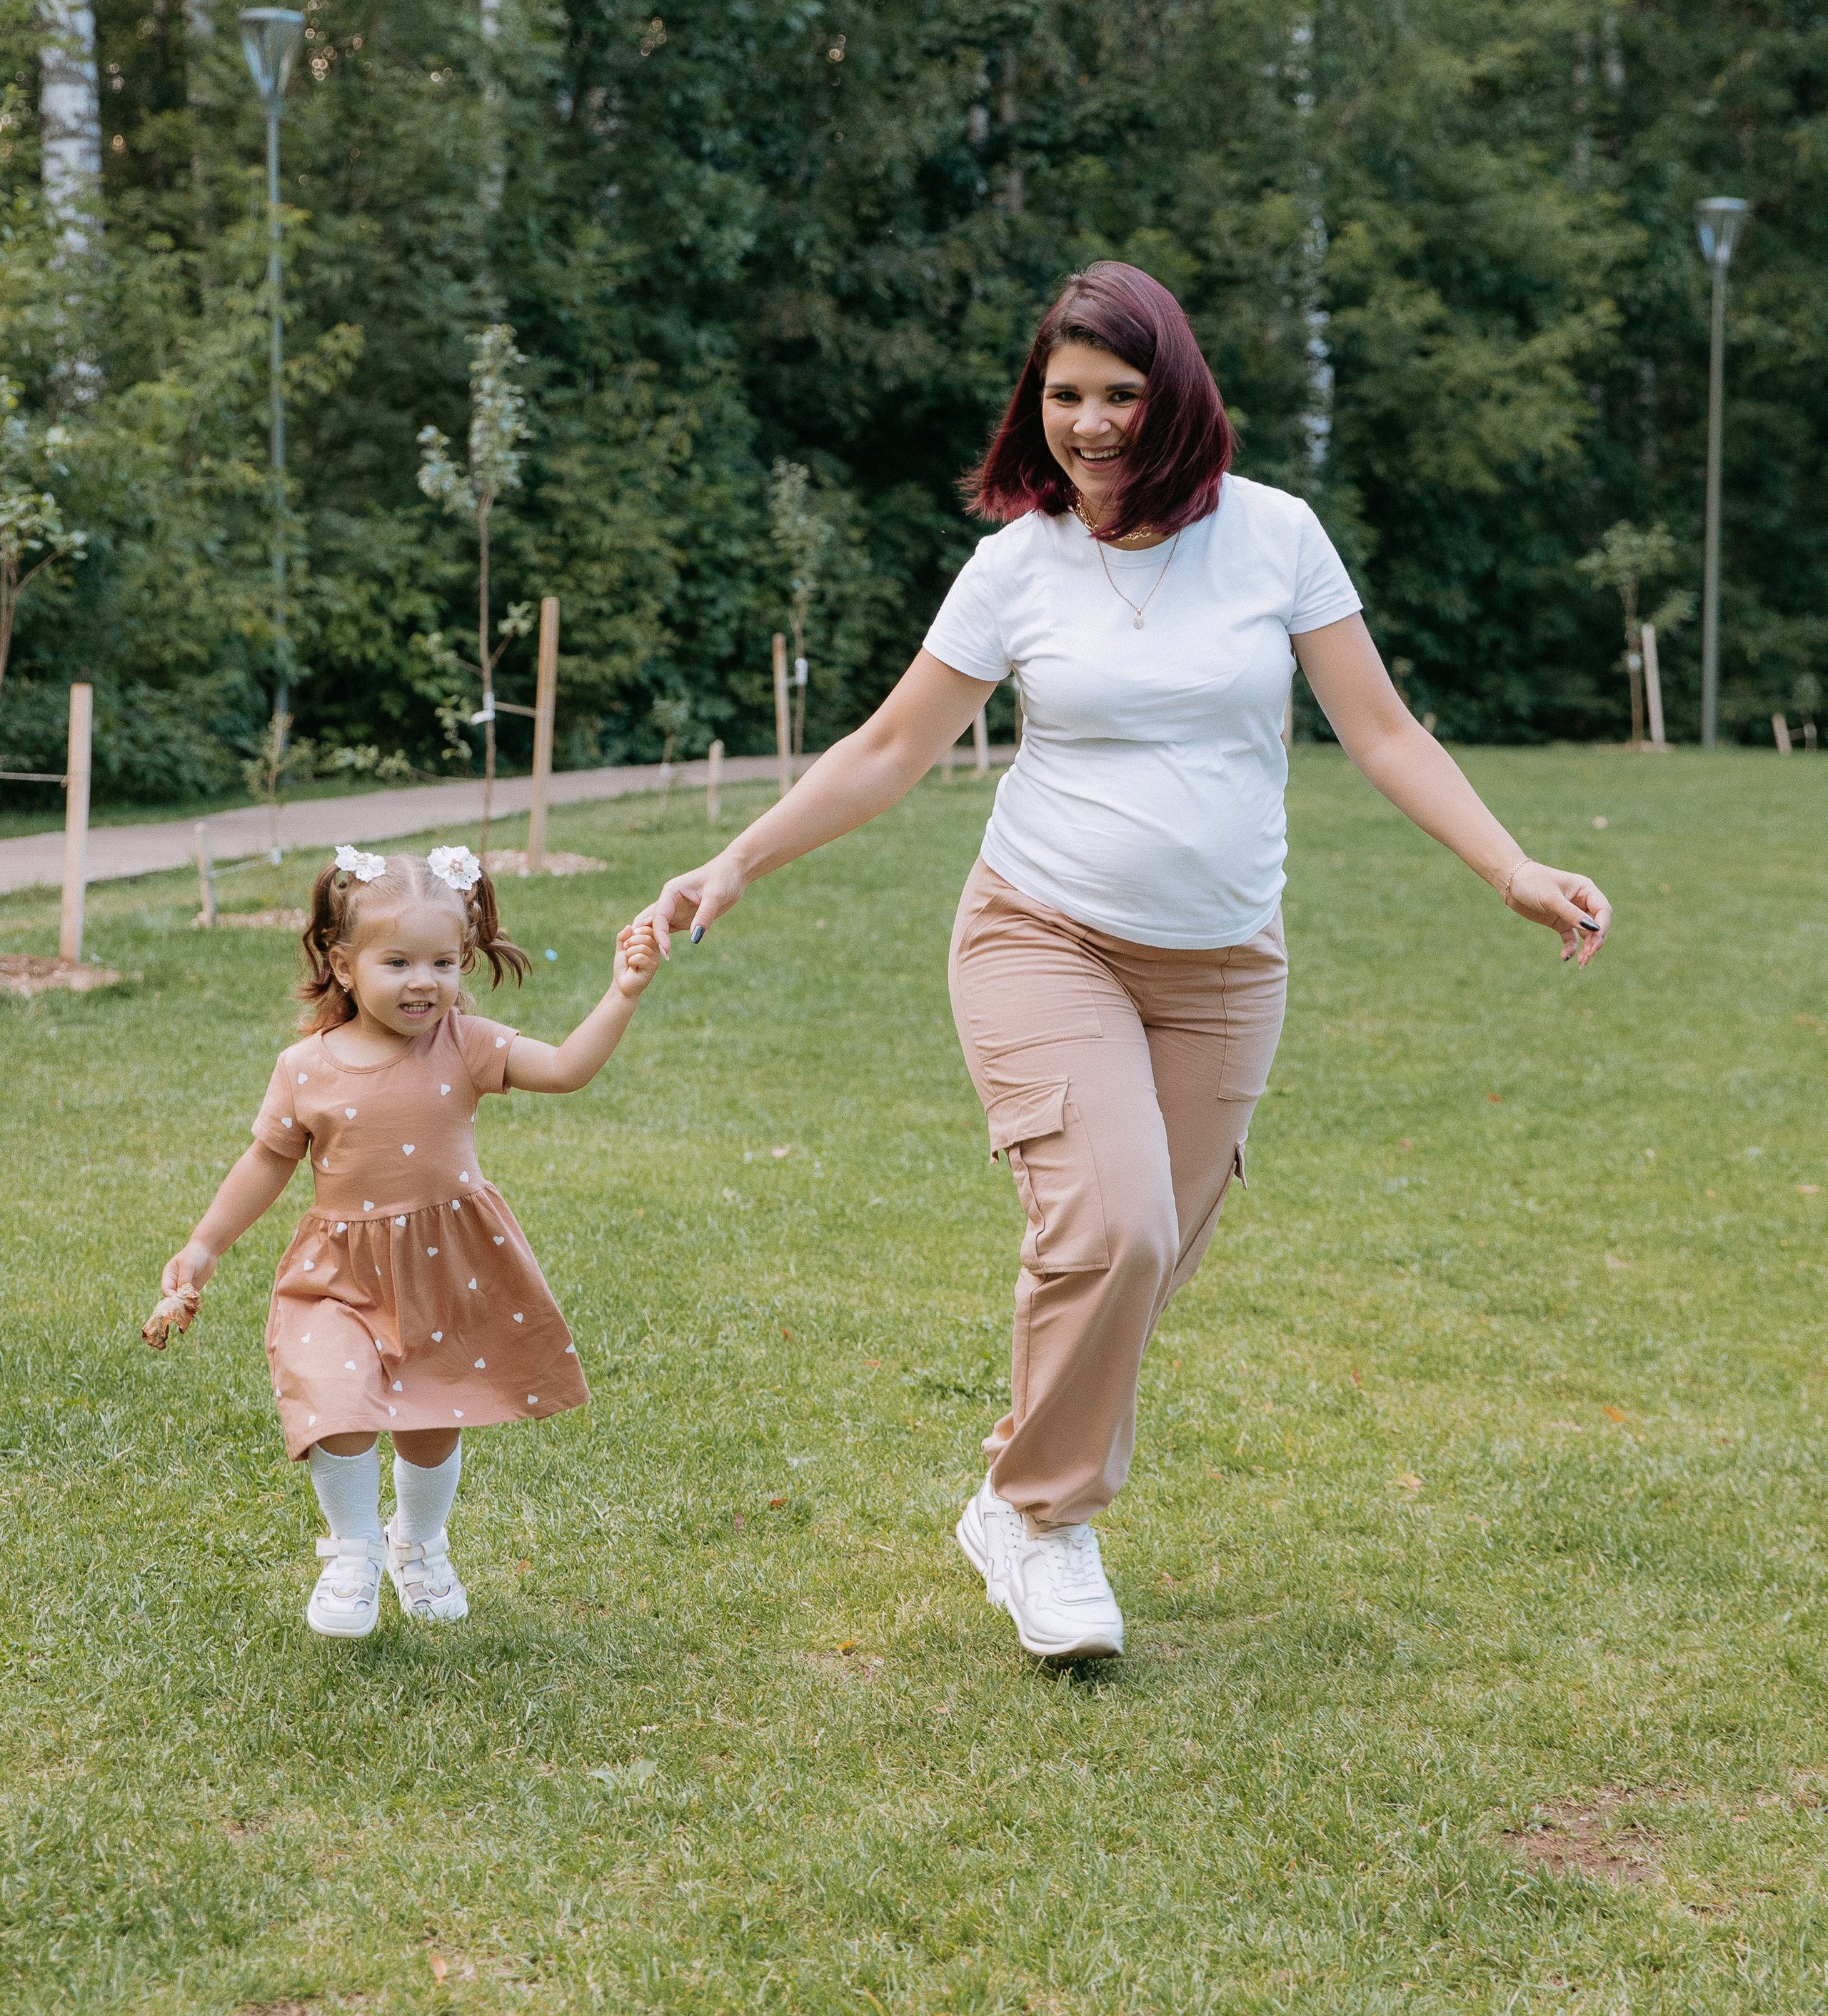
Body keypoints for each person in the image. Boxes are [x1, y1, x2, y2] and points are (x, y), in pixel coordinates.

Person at [638, 263, 1611, 1663]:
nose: (1087, 427)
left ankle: (1007, 1491)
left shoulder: (1274, 538)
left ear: (1176, 401)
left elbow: (1381, 732)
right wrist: (732, 863)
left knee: (1146, 1260)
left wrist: (1509, 867)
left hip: (1225, 964)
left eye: (1117, 396)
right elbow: (888, 750)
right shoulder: (1016, 563)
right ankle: (1044, 1524)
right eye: (1063, 396)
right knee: (1113, 1228)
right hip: (1040, 932)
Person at [144, 842, 661, 1640]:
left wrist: (623, 992)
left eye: (444, 962)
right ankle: (352, 1551)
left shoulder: (466, 1044)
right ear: (345, 966)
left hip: (445, 1267)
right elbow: (267, 1161)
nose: (425, 981)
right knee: (334, 1400)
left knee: (432, 1415)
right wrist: (205, 1246)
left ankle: (417, 1543)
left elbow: (563, 1069)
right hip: (337, 1271)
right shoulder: (305, 1068)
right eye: (399, 962)